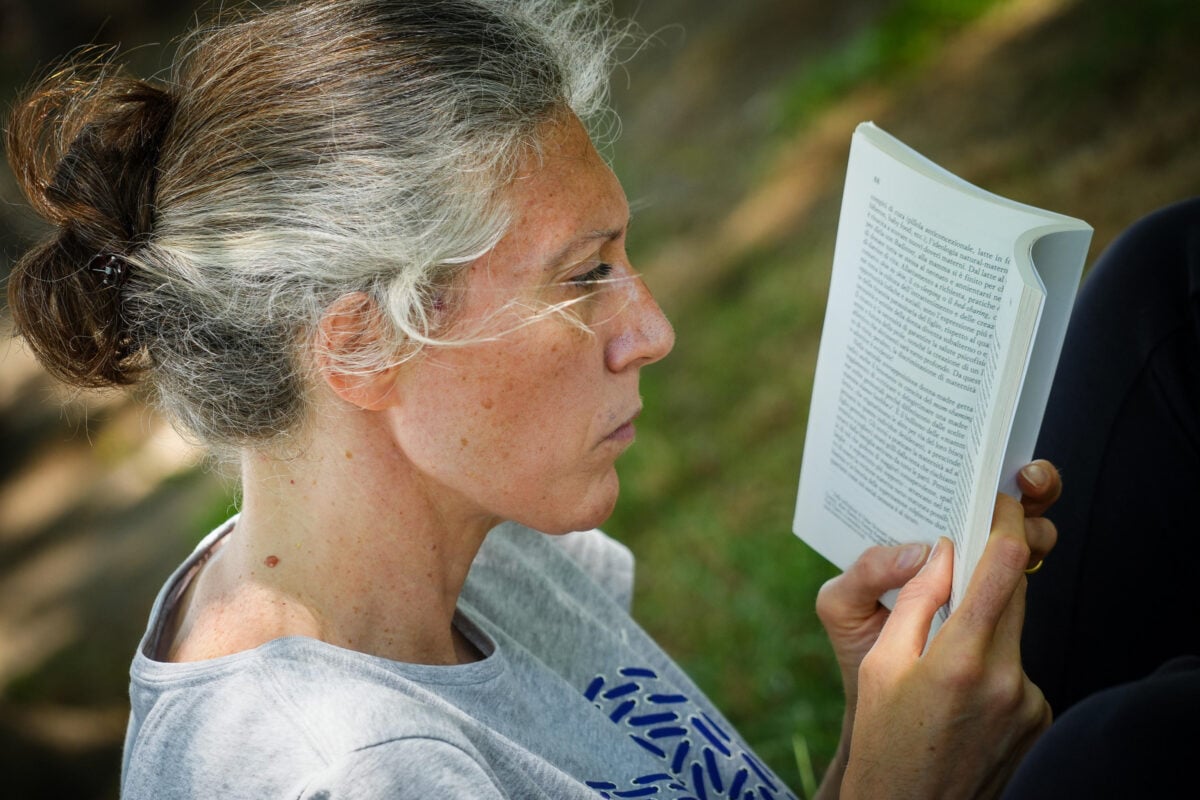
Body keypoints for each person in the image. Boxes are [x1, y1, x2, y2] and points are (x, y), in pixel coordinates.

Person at [5, 1, 1059, 797]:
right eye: (585, 273)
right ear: (365, 345)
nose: (653, 331)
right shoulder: (347, 768)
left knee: (1157, 286)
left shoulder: (468, 541)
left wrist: (874, 738)